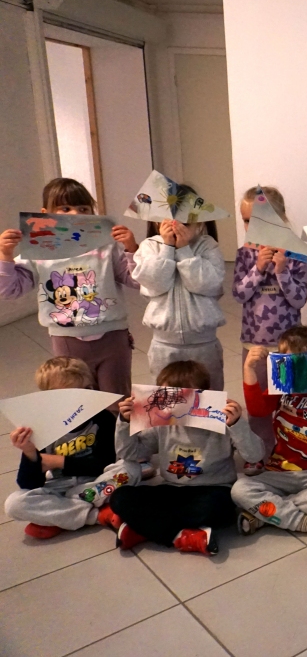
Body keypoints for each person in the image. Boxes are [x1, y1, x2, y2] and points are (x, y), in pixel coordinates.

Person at [0, 178, 139, 395]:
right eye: (65, 208)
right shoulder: (39, 249)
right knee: (77, 401)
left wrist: (132, 249)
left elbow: (137, 280)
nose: (75, 214)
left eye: (83, 209)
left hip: (112, 336)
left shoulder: (106, 246)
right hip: (66, 340)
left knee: (118, 399)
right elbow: (10, 290)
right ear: (45, 214)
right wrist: (5, 256)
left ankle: (117, 419)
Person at [111, 360, 261, 555]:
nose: (177, 406)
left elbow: (255, 455)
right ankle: (182, 536)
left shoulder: (224, 423)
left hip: (213, 490)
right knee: (120, 498)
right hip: (171, 490)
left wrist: (237, 425)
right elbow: (129, 453)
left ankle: (144, 529)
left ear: (206, 395)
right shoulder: (163, 424)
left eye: (185, 398)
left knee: (220, 509)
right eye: (169, 398)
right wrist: (124, 422)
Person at [232, 326, 307, 540]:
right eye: (291, 362)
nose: (299, 369)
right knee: (239, 489)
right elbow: (257, 409)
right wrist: (249, 368)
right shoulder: (280, 388)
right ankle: (304, 522)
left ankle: (266, 515)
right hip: (279, 471)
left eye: (305, 361)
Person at [5, 357, 140, 538]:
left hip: (96, 482)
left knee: (130, 468)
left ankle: (64, 515)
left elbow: (106, 462)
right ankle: (96, 515)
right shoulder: (41, 428)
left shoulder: (102, 418)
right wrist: (29, 452)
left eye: (87, 390)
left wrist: (58, 461)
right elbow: (28, 484)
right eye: (70, 395)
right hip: (62, 485)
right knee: (14, 504)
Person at [233, 185, 307, 462]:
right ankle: (259, 453)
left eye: (257, 221)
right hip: (253, 345)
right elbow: (239, 294)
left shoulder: (296, 254)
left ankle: (289, 454)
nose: (250, 227)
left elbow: (300, 300)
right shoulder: (244, 254)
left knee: (289, 404)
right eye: (246, 221)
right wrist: (258, 269)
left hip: (287, 347)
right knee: (257, 405)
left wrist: (282, 272)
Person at [132, 190, 226, 390]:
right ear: (157, 222)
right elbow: (155, 283)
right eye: (169, 222)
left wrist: (184, 251)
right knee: (165, 396)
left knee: (209, 393)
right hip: (164, 343)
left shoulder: (208, 246)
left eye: (185, 223)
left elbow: (207, 284)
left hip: (204, 342)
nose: (177, 228)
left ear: (198, 223)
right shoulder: (149, 247)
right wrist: (167, 248)